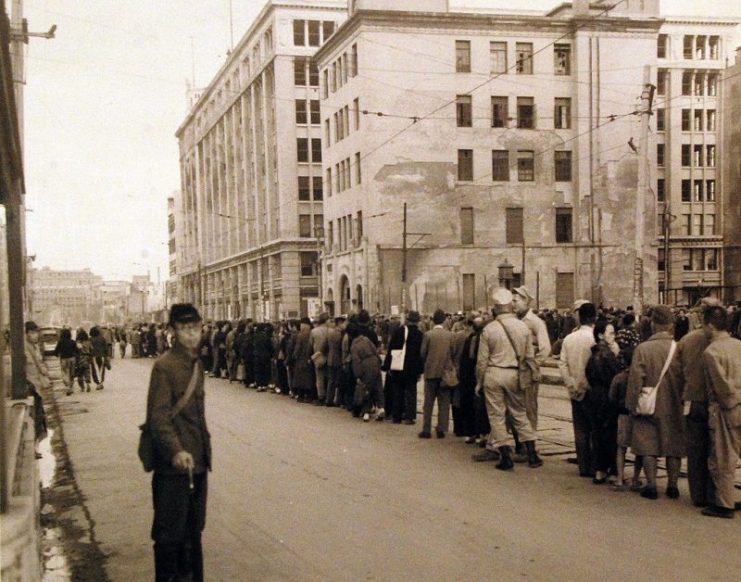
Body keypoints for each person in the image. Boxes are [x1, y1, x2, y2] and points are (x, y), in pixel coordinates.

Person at [146, 303, 210, 581]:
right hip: (174, 468)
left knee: (193, 534)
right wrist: (176, 450)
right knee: (170, 537)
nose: (191, 335)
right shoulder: (164, 367)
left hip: (197, 465)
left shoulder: (197, 365)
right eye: (184, 329)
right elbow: (158, 419)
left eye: (195, 328)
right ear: (173, 331)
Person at [472, 289, 541, 469]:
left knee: (497, 415)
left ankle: (505, 456)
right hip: (514, 373)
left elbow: (482, 361)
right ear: (510, 306)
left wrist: (479, 382)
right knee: (519, 413)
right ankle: (532, 453)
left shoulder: (489, 329)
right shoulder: (523, 327)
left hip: (494, 374)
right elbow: (529, 356)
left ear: (496, 308)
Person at [626, 305, 685, 501]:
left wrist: (631, 404)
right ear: (671, 326)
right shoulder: (679, 348)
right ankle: (673, 485)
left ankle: (651, 484)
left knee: (647, 444)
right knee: (673, 445)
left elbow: (635, 380)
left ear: (653, 324)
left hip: (648, 404)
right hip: (674, 403)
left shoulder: (643, 349)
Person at [674, 297, 718, 508]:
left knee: (695, 450)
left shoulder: (687, 340)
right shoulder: (723, 340)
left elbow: (677, 372)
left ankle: (697, 495)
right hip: (715, 402)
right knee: (715, 450)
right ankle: (714, 494)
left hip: (692, 401)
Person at [700, 306, 741, 519]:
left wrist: (729, 402)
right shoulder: (738, 345)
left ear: (711, 325)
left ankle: (724, 503)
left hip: (726, 409)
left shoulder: (711, 352)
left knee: (723, 457)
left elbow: (721, 385)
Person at [558, 302, 598, 477]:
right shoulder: (595, 338)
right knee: (594, 429)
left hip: (574, 390)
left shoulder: (569, 339)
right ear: (594, 318)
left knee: (580, 428)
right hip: (592, 390)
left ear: (580, 318)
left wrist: (571, 384)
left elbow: (562, 364)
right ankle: (595, 466)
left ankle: (583, 466)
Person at [585, 320, 622, 484]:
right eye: (611, 333)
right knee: (610, 433)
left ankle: (599, 469)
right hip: (607, 396)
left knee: (597, 432)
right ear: (601, 335)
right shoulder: (607, 354)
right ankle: (612, 469)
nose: (614, 336)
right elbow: (616, 376)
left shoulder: (594, 353)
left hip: (595, 395)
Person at [382, 310, 424, 424]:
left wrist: (387, 366)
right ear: (417, 322)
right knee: (411, 391)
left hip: (398, 366)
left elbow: (391, 349)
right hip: (412, 368)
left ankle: (396, 416)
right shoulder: (419, 335)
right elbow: (421, 355)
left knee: (398, 391)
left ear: (407, 320)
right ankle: (409, 417)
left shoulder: (398, 331)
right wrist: (420, 370)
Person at [419, 309, 453, 439]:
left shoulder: (428, 335)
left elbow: (422, 353)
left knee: (428, 402)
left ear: (433, 320)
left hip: (431, 372)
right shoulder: (450, 335)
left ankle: (426, 429)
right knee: (444, 402)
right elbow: (452, 352)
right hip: (445, 373)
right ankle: (441, 428)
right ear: (444, 320)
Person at [348, 320, 384, 422]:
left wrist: (358, 375)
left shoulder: (354, 346)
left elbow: (356, 362)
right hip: (375, 362)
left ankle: (366, 412)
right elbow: (375, 350)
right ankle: (381, 407)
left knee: (365, 388)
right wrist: (379, 362)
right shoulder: (366, 339)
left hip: (365, 365)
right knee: (378, 386)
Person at [24, 321, 49, 448]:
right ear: (27, 333)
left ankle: (35, 445)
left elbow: (40, 363)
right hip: (31, 387)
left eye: (36, 332)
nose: (36, 335)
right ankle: (33, 446)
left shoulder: (34, 347)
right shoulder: (24, 348)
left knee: (38, 418)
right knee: (34, 418)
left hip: (37, 386)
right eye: (33, 333)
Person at [310, 313, 331, 405]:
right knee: (329, 377)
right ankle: (329, 395)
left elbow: (310, 344)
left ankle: (321, 396)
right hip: (329, 356)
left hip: (318, 356)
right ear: (326, 320)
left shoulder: (314, 331)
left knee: (319, 377)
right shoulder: (331, 331)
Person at [326, 317, 345, 407]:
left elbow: (326, 346)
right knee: (339, 381)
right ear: (340, 323)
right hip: (338, 360)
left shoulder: (330, 333)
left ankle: (329, 399)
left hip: (330, 359)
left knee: (331, 380)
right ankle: (338, 400)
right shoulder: (341, 334)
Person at [54, 328, 79, 395]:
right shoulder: (72, 341)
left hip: (63, 359)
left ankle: (67, 385)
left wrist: (56, 354)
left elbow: (56, 351)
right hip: (72, 359)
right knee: (71, 373)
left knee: (64, 372)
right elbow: (77, 351)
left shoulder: (60, 342)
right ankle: (70, 387)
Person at [89, 326, 109, 391]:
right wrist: (107, 355)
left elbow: (89, 349)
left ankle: (98, 383)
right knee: (101, 369)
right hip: (102, 356)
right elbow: (106, 347)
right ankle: (101, 382)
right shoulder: (102, 338)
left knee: (95, 370)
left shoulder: (90, 339)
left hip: (94, 356)